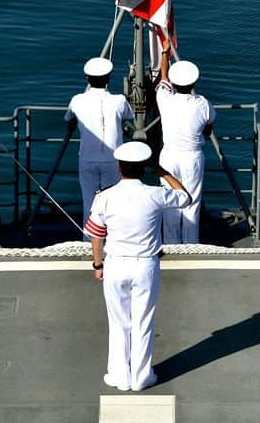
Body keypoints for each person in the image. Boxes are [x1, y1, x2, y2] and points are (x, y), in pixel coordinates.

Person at [87, 140, 191, 392]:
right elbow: (185, 198)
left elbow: (97, 235)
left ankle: (120, 376)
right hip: (146, 266)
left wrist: (97, 265)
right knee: (143, 322)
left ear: (119, 168)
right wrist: (163, 172)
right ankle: (142, 376)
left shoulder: (105, 197)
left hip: (115, 265)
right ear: (144, 168)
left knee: (119, 322)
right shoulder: (156, 194)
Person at [64, 57, 134, 237]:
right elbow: (128, 116)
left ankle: (90, 241)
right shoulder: (119, 100)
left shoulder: (77, 100)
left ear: (87, 79)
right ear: (108, 79)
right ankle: (113, 238)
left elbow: (69, 118)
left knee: (89, 201)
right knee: (113, 202)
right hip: (113, 160)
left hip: (87, 158)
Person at [155, 39, 215, 243]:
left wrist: (165, 55)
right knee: (192, 203)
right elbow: (208, 125)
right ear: (194, 83)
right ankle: (190, 244)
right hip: (192, 157)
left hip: (169, 157)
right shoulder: (203, 104)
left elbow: (163, 78)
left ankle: (171, 244)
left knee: (170, 202)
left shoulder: (164, 99)